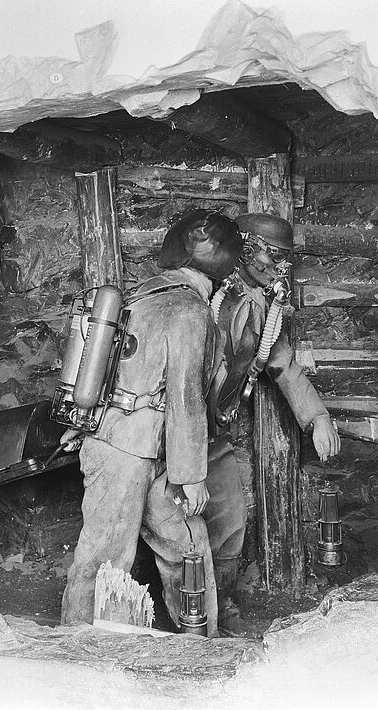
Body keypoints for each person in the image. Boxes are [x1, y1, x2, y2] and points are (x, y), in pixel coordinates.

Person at [60, 209, 242, 636]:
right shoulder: (189, 310)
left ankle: (199, 640)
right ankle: (76, 647)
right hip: (127, 448)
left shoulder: (141, 295)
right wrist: (192, 477)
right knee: (106, 554)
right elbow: (185, 398)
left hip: (140, 446)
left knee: (186, 543)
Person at [203, 212, 341, 636]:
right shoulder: (202, 292)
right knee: (174, 530)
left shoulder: (264, 308)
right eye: (274, 255)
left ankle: (218, 609)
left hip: (213, 433)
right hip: (167, 429)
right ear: (245, 248)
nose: (282, 267)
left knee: (228, 521)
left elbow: (282, 367)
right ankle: (182, 619)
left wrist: (317, 417)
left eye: (286, 258)